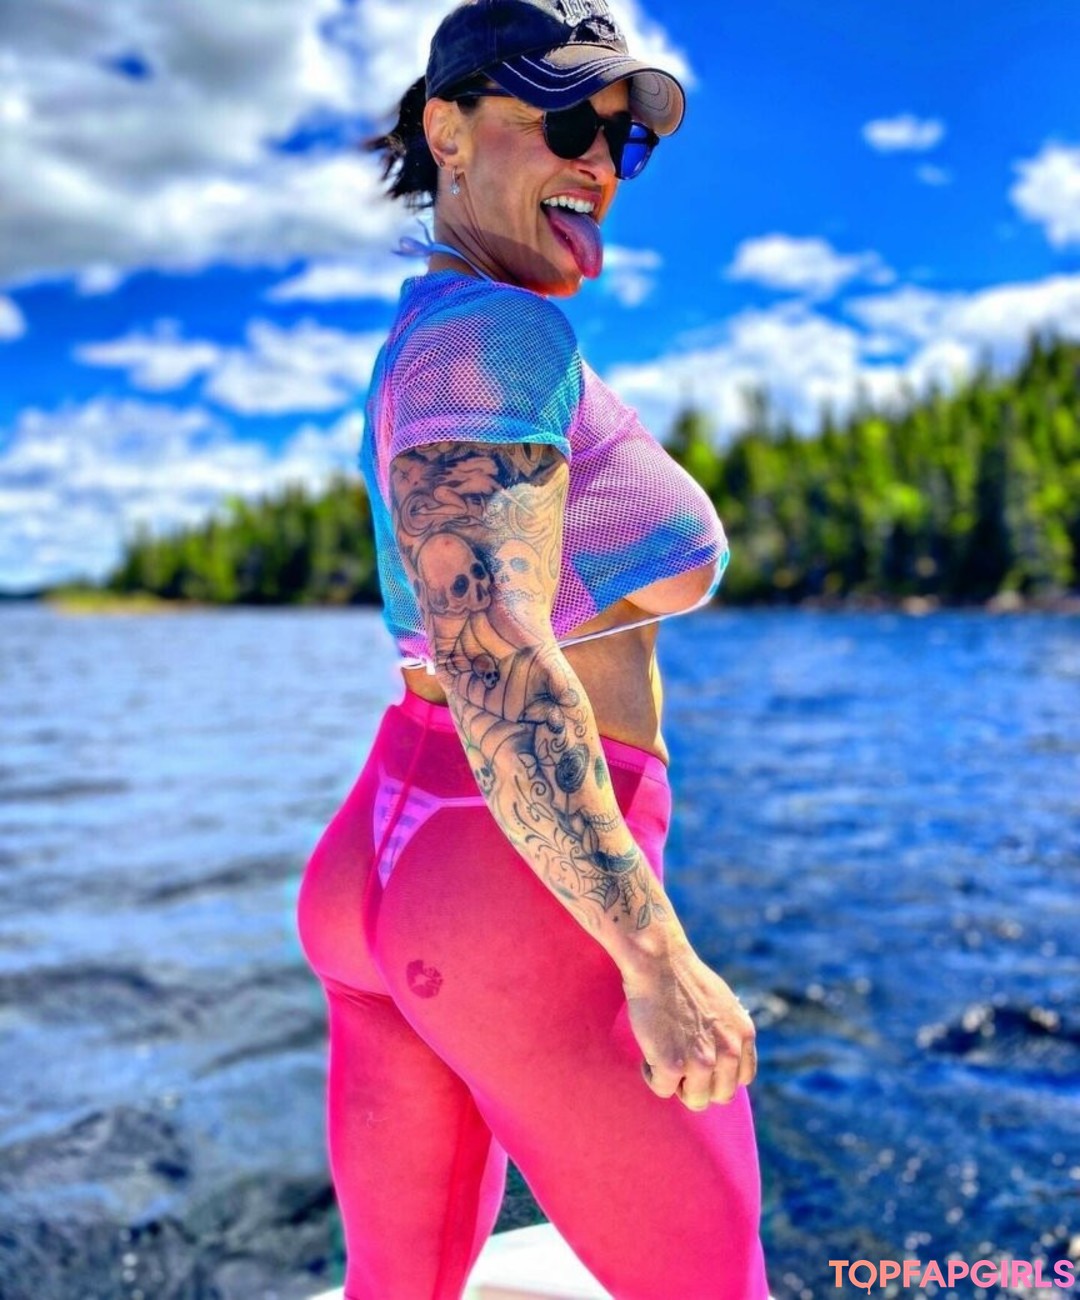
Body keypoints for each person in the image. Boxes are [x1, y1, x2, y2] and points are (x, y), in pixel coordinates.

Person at [297, 2, 772, 1296]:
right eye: (566, 121)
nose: (602, 162)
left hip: (390, 847)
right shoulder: (500, 334)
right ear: (446, 132)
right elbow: (493, 648)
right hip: (511, 905)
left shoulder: (436, 326)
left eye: (625, 140)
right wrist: (655, 958)